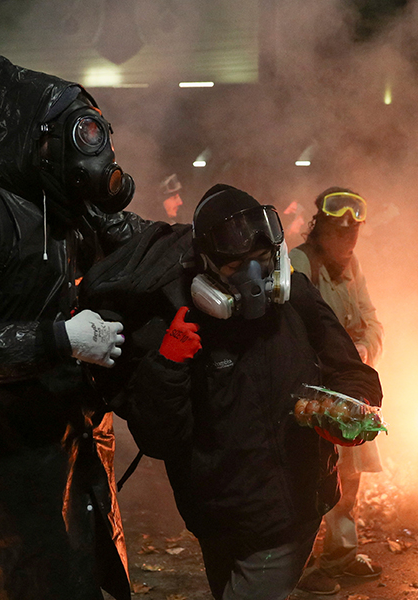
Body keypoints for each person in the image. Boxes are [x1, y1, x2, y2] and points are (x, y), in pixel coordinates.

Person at [0, 55, 145, 600]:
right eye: (79, 133)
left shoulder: (75, 213)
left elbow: (150, 253)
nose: (91, 149)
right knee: (21, 581)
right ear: (39, 141)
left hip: (80, 445)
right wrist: (59, 339)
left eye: (97, 132)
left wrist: (225, 246)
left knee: (84, 574)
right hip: (5, 462)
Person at [85, 184, 383, 600]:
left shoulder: (296, 299)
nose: (254, 281)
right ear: (205, 267)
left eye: (261, 262)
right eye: (234, 267)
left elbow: (352, 370)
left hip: (289, 514)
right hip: (217, 521)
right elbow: (160, 438)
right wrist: (169, 363)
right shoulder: (178, 322)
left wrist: (348, 409)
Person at [289, 187, 385, 594]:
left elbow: (372, 321)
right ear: (321, 229)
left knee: (348, 477)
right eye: (340, 235)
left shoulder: (352, 266)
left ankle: (341, 554)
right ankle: (302, 565)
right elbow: (293, 333)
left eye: (354, 236)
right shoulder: (299, 264)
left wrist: (364, 349)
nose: (348, 243)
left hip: (347, 392)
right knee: (311, 477)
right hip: (312, 394)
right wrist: (345, 353)